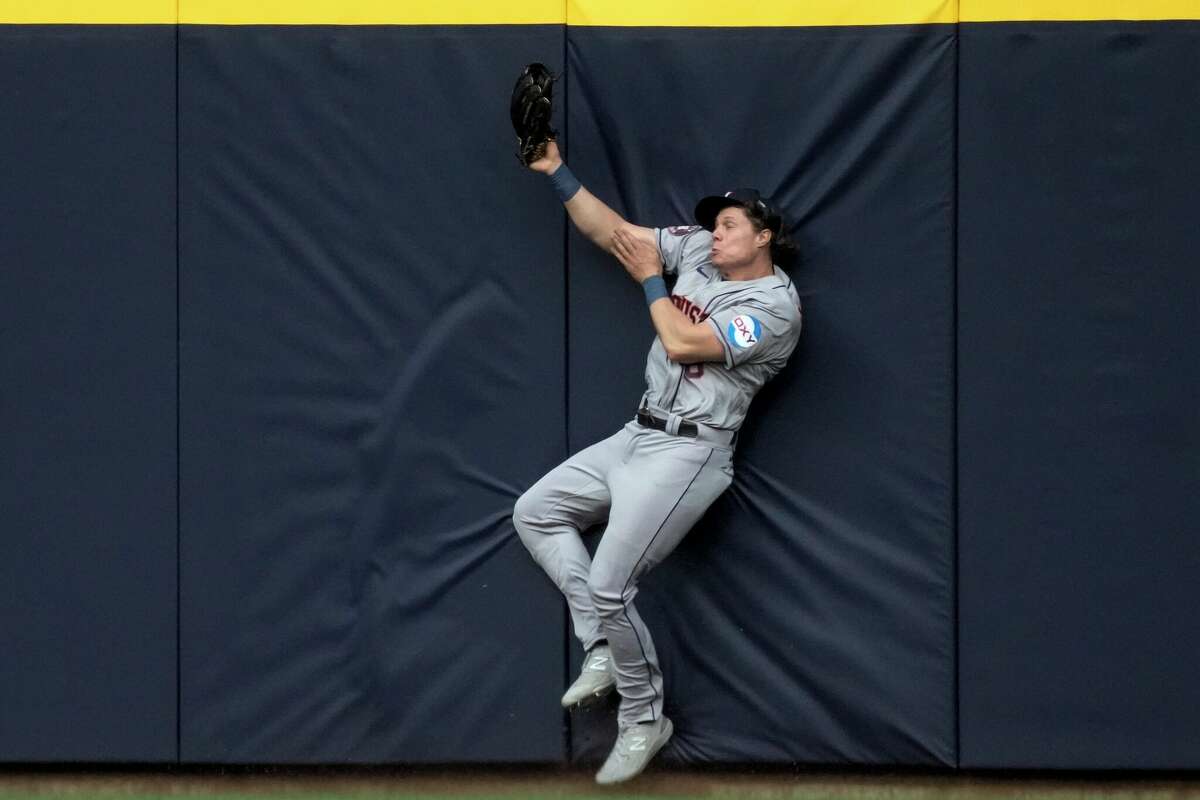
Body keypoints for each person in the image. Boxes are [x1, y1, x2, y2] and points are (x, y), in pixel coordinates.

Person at [512, 140, 802, 784]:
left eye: (729, 225)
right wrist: (554, 169)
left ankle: (644, 719)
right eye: (713, 223)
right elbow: (614, 232)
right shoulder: (700, 250)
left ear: (764, 238)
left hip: (691, 452)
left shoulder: (776, 310)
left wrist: (649, 276)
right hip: (637, 432)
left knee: (613, 584)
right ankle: (601, 650)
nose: (714, 233)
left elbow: (680, 341)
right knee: (535, 512)